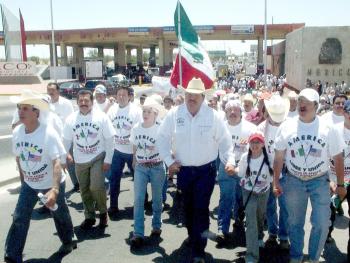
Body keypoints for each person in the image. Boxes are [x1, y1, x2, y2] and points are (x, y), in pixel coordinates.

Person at [157, 78, 235, 263]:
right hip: (183, 171)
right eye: (188, 94)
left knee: (201, 208)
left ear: (203, 96)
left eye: (195, 95)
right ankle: (193, 236)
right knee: (188, 208)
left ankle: (199, 250)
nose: (191, 97)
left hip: (204, 172)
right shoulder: (175, 114)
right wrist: (169, 161)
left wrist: (229, 161)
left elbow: (225, 141)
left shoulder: (213, 116)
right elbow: (162, 138)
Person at [273, 88, 347, 263]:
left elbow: (338, 157)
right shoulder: (287, 125)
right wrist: (276, 181)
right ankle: (296, 257)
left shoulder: (328, 128)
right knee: (295, 223)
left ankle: (313, 258)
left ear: (316, 105)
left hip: (319, 181)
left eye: (306, 102)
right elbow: (278, 157)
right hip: (293, 180)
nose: (302, 105)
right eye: (300, 101)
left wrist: (341, 184)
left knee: (322, 222)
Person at [4, 91, 76, 263]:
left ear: (36, 113)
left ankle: (68, 240)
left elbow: (56, 163)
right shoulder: (17, 132)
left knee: (59, 214)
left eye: (25, 108)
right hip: (30, 184)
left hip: (50, 183)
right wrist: (24, 182)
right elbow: (18, 157)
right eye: (19, 108)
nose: (20, 112)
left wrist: (55, 189)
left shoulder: (47, 133)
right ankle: (12, 255)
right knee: (20, 216)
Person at [63, 90, 115, 230]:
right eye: (81, 101)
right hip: (79, 159)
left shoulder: (101, 117)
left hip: (97, 157)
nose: (83, 103)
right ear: (77, 103)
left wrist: (108, 160)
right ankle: (89, 216)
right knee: (84, 189)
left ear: (92, 102)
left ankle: (103, 213)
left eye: (86, 101)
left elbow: (110, 140)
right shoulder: (71, 119)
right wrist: (64, 156)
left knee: (96, 186)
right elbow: (66, 140)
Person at [216, 100, 256, 245]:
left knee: (241, 197)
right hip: (225, 166)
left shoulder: (250, 128)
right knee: (226, 197)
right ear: (225, 113)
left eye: (235, 110)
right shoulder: (220, 128)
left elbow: (254, 149)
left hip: (244, 166)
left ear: (241, 112)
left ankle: (239, 217)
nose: (232, 112)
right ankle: (222, 228)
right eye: (229, 110)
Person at [129, 97, 166, 248]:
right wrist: (133, 160)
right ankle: (138, 233)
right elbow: (134, 144)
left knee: (157, 199)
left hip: (157, 166)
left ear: (155, 114)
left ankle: (156, 225)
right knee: (138, 199)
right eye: (144, 111)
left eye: (149, 111)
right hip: (141, 167)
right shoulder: (136, 127)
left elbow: (168, 144)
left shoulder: (161, 127)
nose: (145, 114)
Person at [258, 94, 290, 249]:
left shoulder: (290, 127)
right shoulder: (261, 128)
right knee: (270, 205)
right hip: (268, 171)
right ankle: (272, 232)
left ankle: (284, 235)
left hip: (285, 172)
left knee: (285, 206)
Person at [238, 132, 273, 263]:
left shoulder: (269, 158)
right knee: (251, 221)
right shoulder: (244, 157)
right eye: (252, 142)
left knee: (260, 216)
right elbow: (240, 173)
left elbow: (273, 176)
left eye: (258, 142)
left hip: (264, 192)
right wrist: (232, 168)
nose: (255, 145)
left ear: (263, 144)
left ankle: (259, 237)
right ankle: (252, 255)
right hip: (248, 191)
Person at [107, 86, 142, 216]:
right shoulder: (112, 110)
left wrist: (137, 154)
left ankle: (141, 203)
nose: (121, 97)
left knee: (138, 179)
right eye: (119, 94)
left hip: (132, 152)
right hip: (117, 150)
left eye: (124, 95)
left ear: (130, 97)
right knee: (114, 179)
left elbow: (139, 131)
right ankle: (113, 205)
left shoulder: (136, 111)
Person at [47, 82, 79, 192]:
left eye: (52, 90)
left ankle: (77, 183)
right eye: (49, 90)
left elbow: (71, 121)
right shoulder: (46, 104)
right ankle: (55, 187)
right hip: (51, 141)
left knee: (70, 163)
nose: (50, 93)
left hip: (66, 138)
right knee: (55, 164)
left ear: (58, 91)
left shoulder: (66, 103)